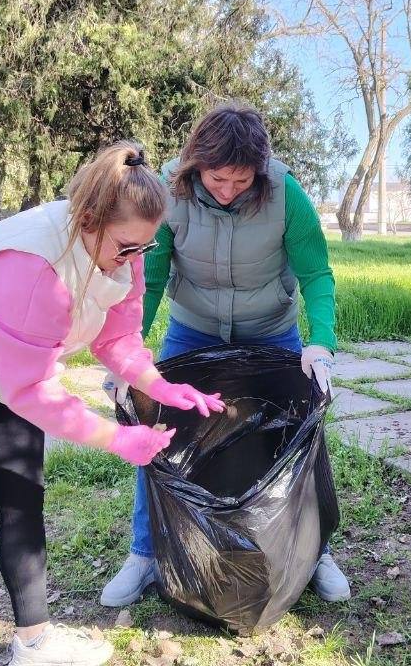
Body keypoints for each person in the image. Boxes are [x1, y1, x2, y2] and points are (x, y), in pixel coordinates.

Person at [0, 141, 225, 666]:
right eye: (127, 248)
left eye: (145, 248)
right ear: (88, 220)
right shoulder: (29, 267)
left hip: (4, 366)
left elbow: (117, 339)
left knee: (23, 497)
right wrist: (118, 439)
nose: (135, 260)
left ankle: (34, 641)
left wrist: (160, 386)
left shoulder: (126, 249)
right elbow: (34, 392)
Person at [100, 103, 349, 608]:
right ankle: (144, 554)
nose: (229, 190)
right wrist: (129, 353)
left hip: (271, 332)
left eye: (241, 180)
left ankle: (315, 553)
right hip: (194, 331)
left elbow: (316, 275)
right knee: (158, 434)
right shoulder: (168, 192)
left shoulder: (286, 194)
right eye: (218, 179)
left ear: (259, 170)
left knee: (297, 435)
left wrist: (320, 344)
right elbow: (149, 282)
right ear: (197, 166)